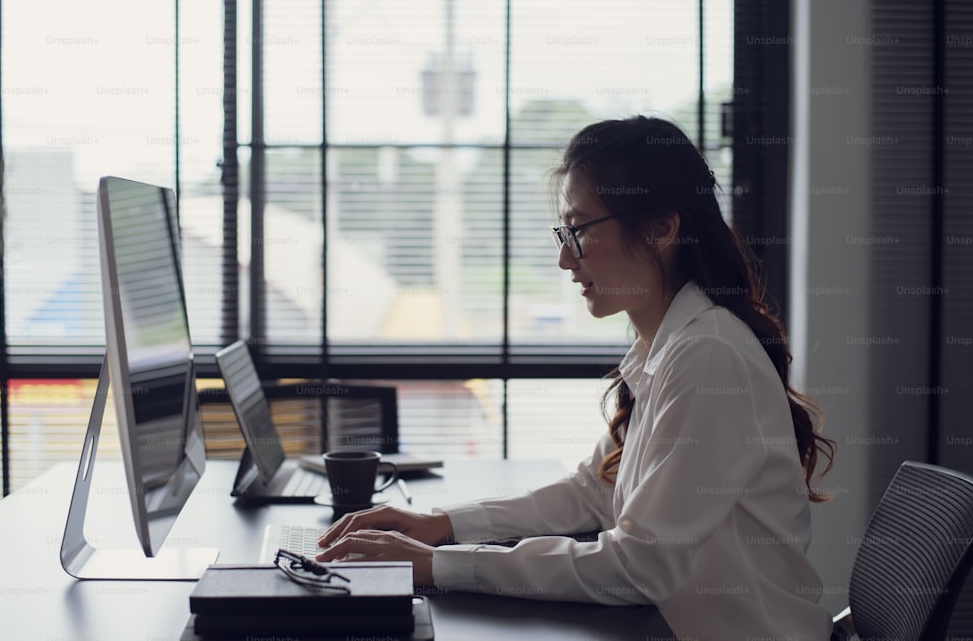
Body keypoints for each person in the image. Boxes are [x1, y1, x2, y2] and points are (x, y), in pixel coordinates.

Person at [317, 115, 836, 640]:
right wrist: (443, 526)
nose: (565, 258)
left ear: (662, 227)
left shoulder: (709, 355)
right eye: (564, 232)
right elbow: (594, 492)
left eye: (580, 232)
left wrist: (439, 565)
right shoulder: (668, 347)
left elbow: (640, 566)